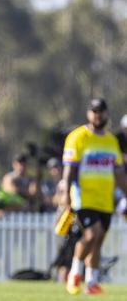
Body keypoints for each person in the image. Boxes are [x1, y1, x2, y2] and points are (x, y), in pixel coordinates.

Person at [63, 98, 127, 295]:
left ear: (107, 114)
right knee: (92, 233)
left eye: (101, 111)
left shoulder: (111, 141)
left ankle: (91, 282)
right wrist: (66, 197)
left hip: (104, 200)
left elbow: (118, 173)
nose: (97, 115)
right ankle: (74, 272)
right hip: (83, 197)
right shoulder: (78, 137)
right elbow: (69, 172)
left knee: (98, 240)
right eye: (94, 111)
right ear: (88, 114)